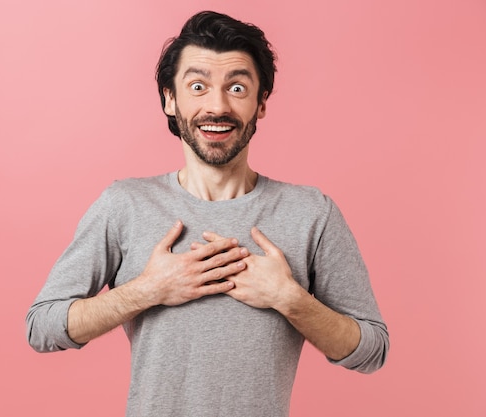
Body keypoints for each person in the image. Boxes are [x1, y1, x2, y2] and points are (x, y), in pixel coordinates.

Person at [26, 10, 389, 416]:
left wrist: (289, 298)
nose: (217, 106)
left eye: (236, 87)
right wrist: (148, 290)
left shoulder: (311, 213)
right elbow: (43, 327)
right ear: (170, 99)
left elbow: (371, 350)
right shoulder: (125, 205)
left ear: (261, 103)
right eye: (197, 86)